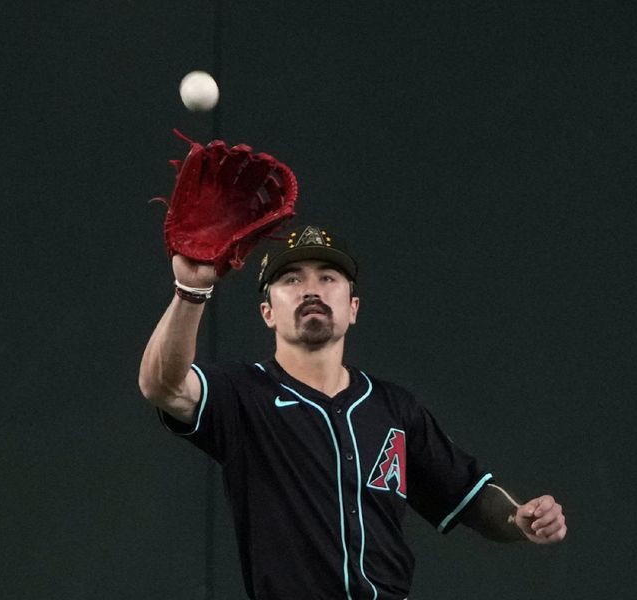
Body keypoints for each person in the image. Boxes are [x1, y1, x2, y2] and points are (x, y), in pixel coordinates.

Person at [139, 225, 566, 600]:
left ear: (353, 308)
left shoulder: (394, 408)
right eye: (291, 279)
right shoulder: (243, 394)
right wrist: (191, 291)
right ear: (267, 312)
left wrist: (520, 517)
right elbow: (163, 384)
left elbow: (468, 495)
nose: (311, 289)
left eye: (328, 277)